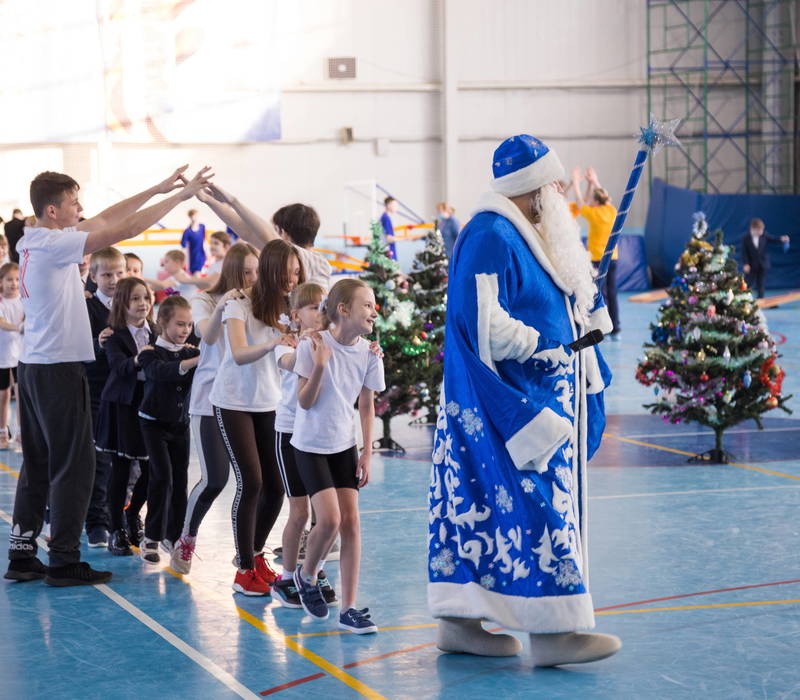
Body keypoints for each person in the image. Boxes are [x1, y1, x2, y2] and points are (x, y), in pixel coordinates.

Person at [428, 134, 620, 666]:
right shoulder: (491, 234)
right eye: (553, 184)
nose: (560, 192)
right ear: (534, 189)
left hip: (533, 397)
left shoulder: (527, 232)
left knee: (487, 514)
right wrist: (547, 347)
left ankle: (461, 623)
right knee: (539, 508)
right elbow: (481, 318)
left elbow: (552, 297)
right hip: (510, 405)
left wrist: (585, 316)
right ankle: (555, 631)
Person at [4, 165, 211, 587]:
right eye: (72, 203)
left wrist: (156, 186)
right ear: (52, 210)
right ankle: (64, 559)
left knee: (41, 463)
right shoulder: (51, 244)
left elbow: (102, 219)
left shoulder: (35, 237)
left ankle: (22, 552)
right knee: (75, 466)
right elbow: (119, 230)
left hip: (36, 367)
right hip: (56, 370)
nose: (80, 209)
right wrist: (180, 197)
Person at [291, 278, 385, 634]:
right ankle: (306, 574)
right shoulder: (314, 345)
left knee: (351, 523)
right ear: (343, 309)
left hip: (344, 446)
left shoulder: (369, 353)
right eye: (366, 304)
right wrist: (319, 365)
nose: (373, 311)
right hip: (310, 444)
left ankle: (348, 607)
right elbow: (304, 401)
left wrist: (367, 453)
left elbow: (366, 405)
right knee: (328, 520)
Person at [210, 239, 299, 595]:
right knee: (251, 482)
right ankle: (243, 568)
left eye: (297, 273)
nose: (293, 280)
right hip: (232, 401)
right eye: (288, 272)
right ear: (272, 271)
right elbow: (239, 353)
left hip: (269, 403)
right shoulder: (239, 303)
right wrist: (276, 342)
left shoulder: (289, 307)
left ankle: (257, 554)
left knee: (276, 486)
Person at [170, 242, 259, 574]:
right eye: (246, 272)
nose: (253, 278)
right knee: (215, 479)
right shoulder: (204, 299)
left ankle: (250, 553)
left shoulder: (260, 303)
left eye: (256, 272)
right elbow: (205, 336)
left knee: (257, 481)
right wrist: (223, 306)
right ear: (234, 271)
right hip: (210, 401)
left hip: (249, 400)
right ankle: (187, 538)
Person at [271, 281, 338, 608]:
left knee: (327, 514)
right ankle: (285, 578)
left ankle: (316, 571)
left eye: (322, 308)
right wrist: (304, 348)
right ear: (295, 315)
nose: (319, 314)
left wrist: (369, 349)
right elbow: (287, 363)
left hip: (320, 434)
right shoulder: (287, 346)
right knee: (299, 511)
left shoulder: (329, 344)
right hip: (289, 433)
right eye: (312, 308)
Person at [95, 277, 156, 557]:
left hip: (151, 407)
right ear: (123, 303)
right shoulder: (114, 335)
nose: (142, 303)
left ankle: (133, 515)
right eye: (135, 299)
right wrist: (138, 359)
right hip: (122, 408)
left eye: (145, 297)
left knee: (151, 469)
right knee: (120, 470)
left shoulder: (157, 332)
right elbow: (119, 367)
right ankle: (116, 528)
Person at [137, 295, 200, 564]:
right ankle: (150, 536)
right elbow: (161, 372)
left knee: (180, 481)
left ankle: (173, 535)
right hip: (152, 423)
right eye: (179, 324)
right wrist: (194, 361)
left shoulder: (189, 352)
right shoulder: (150, 353)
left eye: (188, 325)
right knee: (161, 476)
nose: (184, 330)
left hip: (179, 425)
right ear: (163, 322)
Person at [197, 186, 332, 289]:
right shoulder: (313, 261)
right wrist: (210, 201)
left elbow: (268, 237)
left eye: (274, 229)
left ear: (282, 232)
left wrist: (232, 201)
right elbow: (246, 233)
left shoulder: (315, 262)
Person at [84, 247, 127, 548]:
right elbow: (79, 350)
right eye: (107, 274)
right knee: (98, 461)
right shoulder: (86, 309)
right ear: (94, 276)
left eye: (119, 273)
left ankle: (119, 518)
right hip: (96, 393)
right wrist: (97, 345)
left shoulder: (131, 306)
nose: (114, 280)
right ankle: (95, 521)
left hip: (126, 395)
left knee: (123, 462)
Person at [571, 166, 620, 335]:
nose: (590, 201)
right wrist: (594, 181)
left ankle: (601, 327)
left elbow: (579, 201)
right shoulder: (611, 210)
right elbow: (604, 197)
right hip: (613, 258)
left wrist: (577, 183)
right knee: (612, 292)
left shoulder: (594, 214)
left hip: (598, 259)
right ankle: (616, 327)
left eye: (592, 199)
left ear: (596, 203)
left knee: (599, 293)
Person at [0, 262, 23, 450]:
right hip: (2, 355)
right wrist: (19, 327)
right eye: (9, 280)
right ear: (1, 282)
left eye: (17, 279)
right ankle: (2, 432)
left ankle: (21, 434)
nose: (14, 284)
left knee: (21, 393)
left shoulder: (24, 300)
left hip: (20, 355)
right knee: (3, 394)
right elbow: (2, 323)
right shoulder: (0, 301)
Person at [740, 218, 790, 299]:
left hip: (763, 264)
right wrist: (746, 264)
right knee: (748, 282)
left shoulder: (764, 235)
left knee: (761, 283)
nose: (761, 232)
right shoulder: (745, 238)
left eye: (762, 230)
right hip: (751, 265)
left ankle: (761, 298)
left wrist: (782, 238)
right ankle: (742, 297)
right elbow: (744, 253)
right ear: (753, 229)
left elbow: (773, 239)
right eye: (759, 230)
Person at [181, 209, 206, 274]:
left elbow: (204, 241)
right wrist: (184, 261)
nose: (196, 217)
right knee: (195, 273)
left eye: (197, 216)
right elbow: (183, 246)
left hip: (202, 254)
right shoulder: (187, 231)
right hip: (193, 256)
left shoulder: (202, 227)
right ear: (190, 217)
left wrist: (208, 254)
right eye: (194, 216)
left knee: (202, 273)